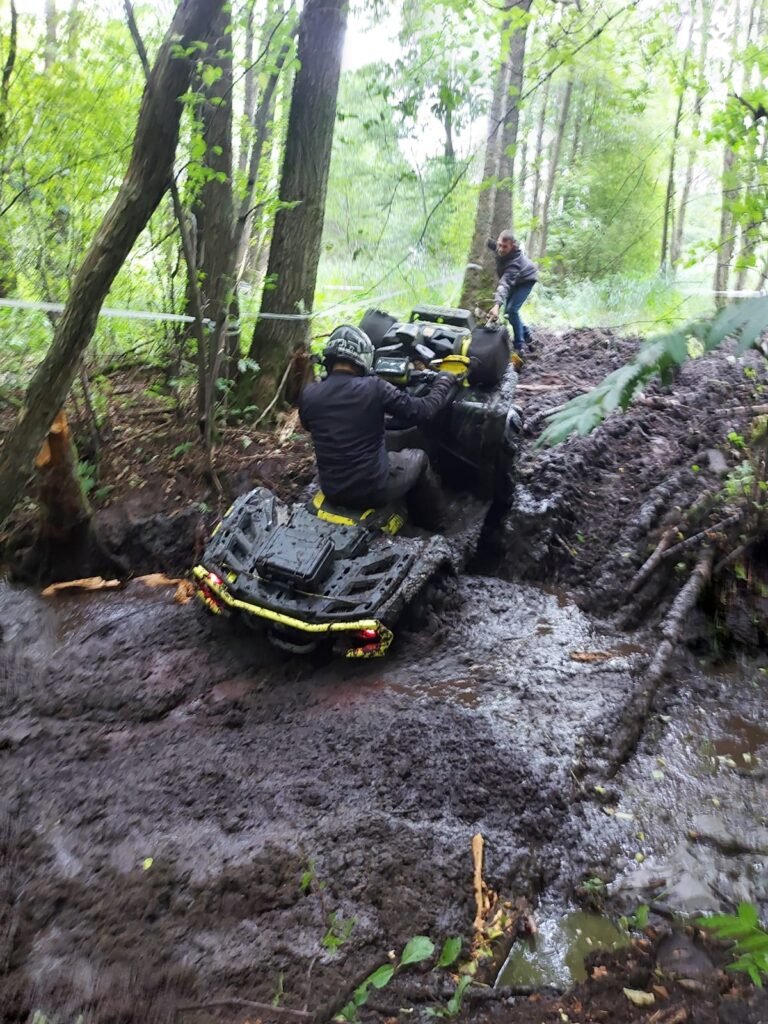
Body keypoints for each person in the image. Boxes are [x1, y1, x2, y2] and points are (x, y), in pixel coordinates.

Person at [299, 325, 459, 521]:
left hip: (331, 488)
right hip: (372, 490)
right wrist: (444, 380)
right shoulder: (375, 388)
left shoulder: (309, 394)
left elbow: (311, 425)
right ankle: (438, 522)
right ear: (363, 358)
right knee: (419, 458)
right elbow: (423, 411)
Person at [487, 231, 538, 353]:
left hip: (526, 279)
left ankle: (519, 346)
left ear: (512, 246)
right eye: (499, 245)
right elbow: (492, 244)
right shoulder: (499, 247)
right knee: (508, 314)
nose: (500, 249)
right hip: (516, 281)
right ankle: (527, 335)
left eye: (505, 247)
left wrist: (496, 305)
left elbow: (504, 284)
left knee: (511, 310)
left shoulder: (514, 263)